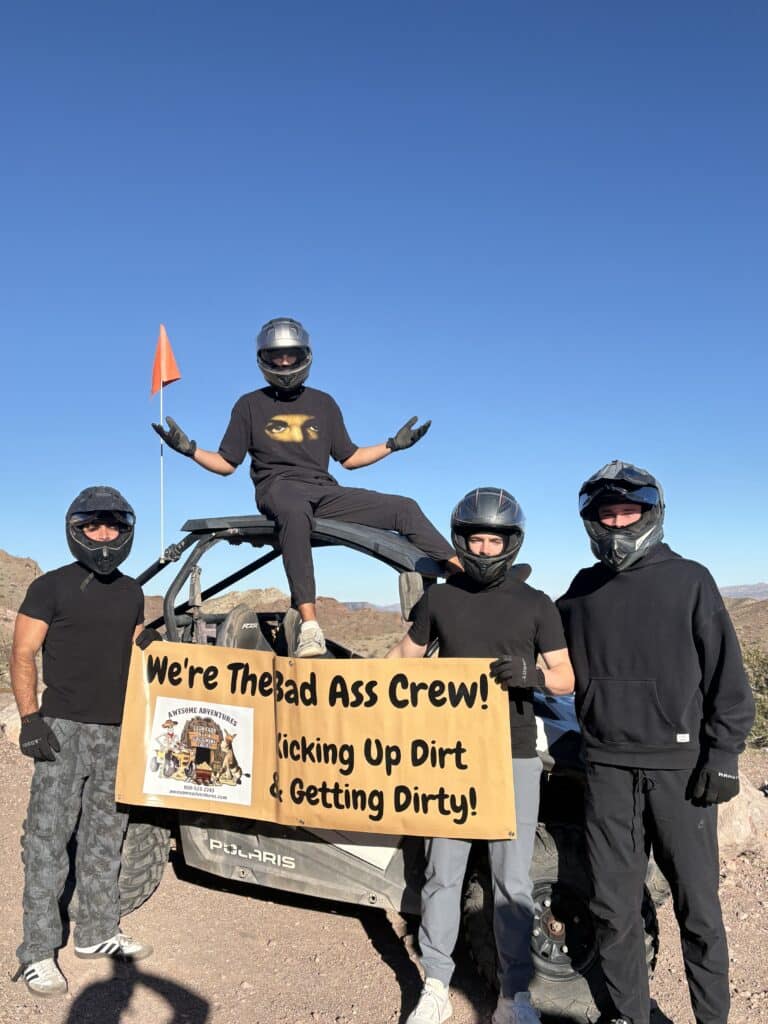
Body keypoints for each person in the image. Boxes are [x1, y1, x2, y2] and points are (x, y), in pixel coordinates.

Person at [557, 460, 755, 1024]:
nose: (618, 525)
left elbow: (728, 680)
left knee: (698, 909)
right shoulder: (583, 587)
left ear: (651, 513)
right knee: (613, 907)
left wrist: (722, 754)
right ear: (592, 521)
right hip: (607, 771)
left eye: (628, 512)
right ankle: (628, 1015)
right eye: (607, 515)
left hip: (681, 771)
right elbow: (549, 651)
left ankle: (712, 1018)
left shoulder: (691, 579)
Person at [152, 316, 460, 657]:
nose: (284, 363)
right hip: (278, 488)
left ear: (305, 356)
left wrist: (392, 445)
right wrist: (190, 450)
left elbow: (350, 457)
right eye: (276, 357)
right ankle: (310, 626)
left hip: (324, 491)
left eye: (291, 356)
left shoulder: (324, 403)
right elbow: (227, 464)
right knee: (294, 513)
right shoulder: (249, 405)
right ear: (263, 361)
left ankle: (467, 577)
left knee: (404, 508)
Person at [386, 487, 574, 1024]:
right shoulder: (440, 599)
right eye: (476, 539)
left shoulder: (537, 604)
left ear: (511, 543)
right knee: (443, 874)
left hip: (512, 754)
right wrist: (350, 693)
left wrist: (533, 675)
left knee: (511, 880)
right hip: (449, 753)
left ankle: (514, 996)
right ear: (462, 541)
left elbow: (565, 676)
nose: (485, 549)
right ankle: (437, 985)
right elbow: (405, 658)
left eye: (495, 540)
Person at [11, 486, 154, 997]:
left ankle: (95, 933)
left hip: (117, 731)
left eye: (112, 526)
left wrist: (152, 645)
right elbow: (23, 653)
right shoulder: (50, 587)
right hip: (63, 728)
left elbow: (135, 643)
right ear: (76, 529)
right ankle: (37, 952)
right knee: (48, 840)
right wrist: (31, 719)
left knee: (104, 838)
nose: (104, 535)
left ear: (125, 531)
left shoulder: (134, 591)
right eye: (94, 526)